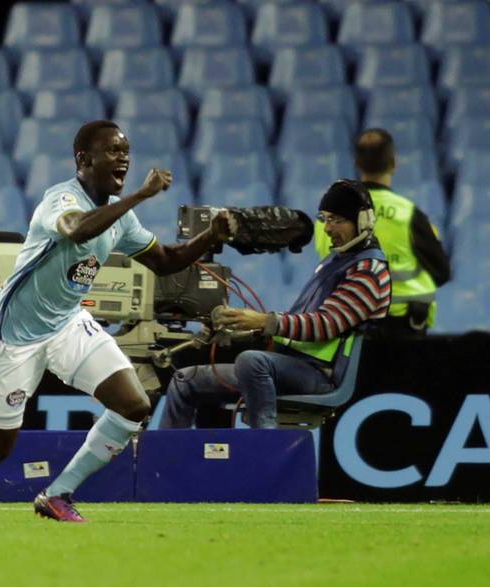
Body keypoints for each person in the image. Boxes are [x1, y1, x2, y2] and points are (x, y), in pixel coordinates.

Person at [0, 120, 235, 522]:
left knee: (133, 405)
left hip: (67, 325)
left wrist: (210, 236)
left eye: (126, 152)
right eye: (113, 151)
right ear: (83, 160)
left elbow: (165, 262)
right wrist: (141, 195)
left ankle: (57, 494)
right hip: (13, 337)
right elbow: (75, 230)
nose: (123, 159)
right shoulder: (62, 199)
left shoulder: (119, 220)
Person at [160, 180, 392, 429]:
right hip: (288, 365)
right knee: (186, 380)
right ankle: (168, 464)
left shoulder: (368, 271)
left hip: (319, 374)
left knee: (252, 361)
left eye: (337, 220)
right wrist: (241, 328)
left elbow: (325, 324)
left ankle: (265, 446)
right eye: (325, 219)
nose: (327, 228)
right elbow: (297, 327)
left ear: (363, 221)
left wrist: (263, 321)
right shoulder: (336, 262)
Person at [314, 128, 450, 336]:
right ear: (394, 163)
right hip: (402, 328)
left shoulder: (327, 216)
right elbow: (441, 273)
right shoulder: (408, 214)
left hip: (346, 322)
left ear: (357, 163)